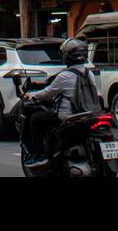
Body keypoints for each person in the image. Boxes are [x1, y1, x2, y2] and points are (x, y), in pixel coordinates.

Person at [21, 37, 101, 167]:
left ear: (67, 57)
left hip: (69, 117)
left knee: (35, 119)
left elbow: (46, 93)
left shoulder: (65, 76)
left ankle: (39, 155)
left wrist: (31, 95)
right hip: (90, 114)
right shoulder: (90, 74)